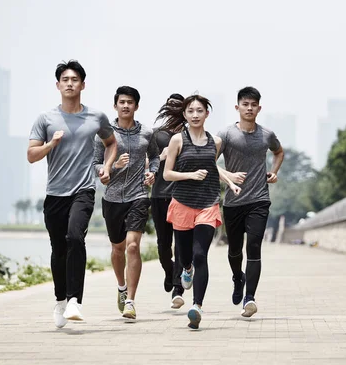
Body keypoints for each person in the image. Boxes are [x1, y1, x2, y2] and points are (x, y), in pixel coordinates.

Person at [28, 60, 117, 328]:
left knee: (75, 238)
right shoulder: (45, 118)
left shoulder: (96, 117)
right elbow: (31, 155)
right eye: (65, 79)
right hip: (55, 193)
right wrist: (50, 144)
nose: (70, 83)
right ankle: (60, 300)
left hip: (84, 190)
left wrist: (107, 167)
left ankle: (74, 300)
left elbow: (111, 143)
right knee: (59, 249)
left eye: (75, 79)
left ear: (83, 85)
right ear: (58, 85)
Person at [162, 95, 241, 329]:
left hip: (208, 203)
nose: (195, 115)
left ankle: (196, 306)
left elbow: (211, 167)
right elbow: (167, 174)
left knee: (200, 255)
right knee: (185, 256)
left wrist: (230, 181)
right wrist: (189, 175)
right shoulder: (177, 140)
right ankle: (185, 270)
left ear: (207, 113)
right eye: (191, 111)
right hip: (183, 204)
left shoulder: (215, 142)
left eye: (200, 110)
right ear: (185, 115)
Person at [93, 86, 159, 320]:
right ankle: (121, 286)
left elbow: (156, 157)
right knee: (118, 248)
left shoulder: (147, 134)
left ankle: (130, 300)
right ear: (115, 105)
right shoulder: (105, 135)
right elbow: (95, 165)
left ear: (136, 106)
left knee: (132, 246)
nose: (125, 106)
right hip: (112, 198)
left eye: (130, 102)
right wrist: (112, 167)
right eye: (121, 102)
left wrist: (153, 173)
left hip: (138, 196)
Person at [217, 86, 284, 317]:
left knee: (254, 246)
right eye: (245, 104)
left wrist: (274, 172)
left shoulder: (266, 134)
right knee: (235, 250)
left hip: (259, 200)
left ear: (259, 108)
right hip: (233, 202)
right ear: (237, 107)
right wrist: (228, 177)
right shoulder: (225, 135)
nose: (249, 108)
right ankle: (238, 278)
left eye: (253, 104)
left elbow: (279, 152)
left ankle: (250, 298)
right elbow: (209, 161)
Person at [152, 94, 186, 309]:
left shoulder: (190, 135)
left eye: (177, 105)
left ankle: (178, 287)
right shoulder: (156, 136)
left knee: (181, 244)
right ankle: (169, 270)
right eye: (170, 104)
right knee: (163, 245)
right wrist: (161, 157)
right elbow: (146, 162)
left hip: (182, 196)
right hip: (158, 196)